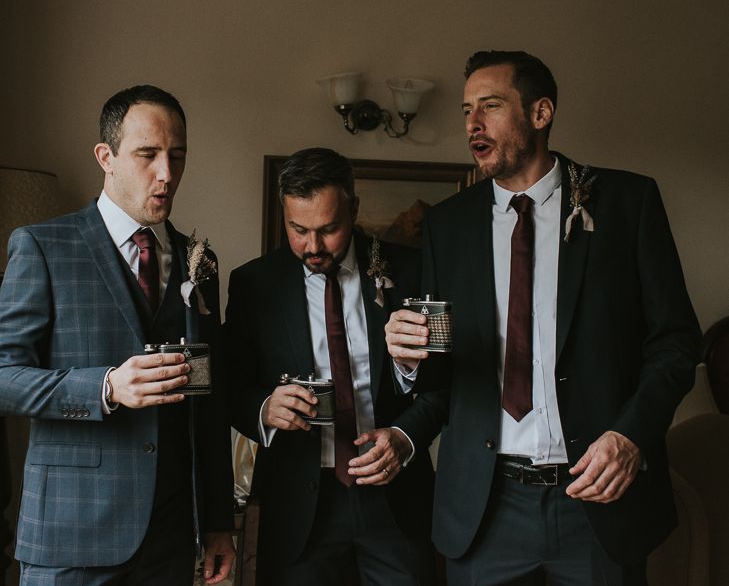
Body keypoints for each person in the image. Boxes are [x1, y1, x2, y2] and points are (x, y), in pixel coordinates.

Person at [385, 51, 701, 585]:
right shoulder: (448, 225)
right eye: (466, 111)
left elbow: (675, 343)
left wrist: (631, 436)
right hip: (483, 508)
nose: (472, 125)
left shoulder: (628, 202)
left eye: (490, 106)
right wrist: (409, 361)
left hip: (597, 502)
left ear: (541, 112)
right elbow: (444, 376)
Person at [0, 85, 235, 585]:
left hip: (170, 536)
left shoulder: (202, 262)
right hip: (70, 534)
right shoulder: (43, 246)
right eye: (148, 155)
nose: (167, 173)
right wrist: (106, 387)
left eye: (177, 156)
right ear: (106, 157)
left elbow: (208, 407)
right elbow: (4, 376)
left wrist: (216, 523)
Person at [225, 147, 446, 585]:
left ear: (354, 209)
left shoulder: (410, 270)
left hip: (397, 504)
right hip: (298, 509)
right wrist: (264, 409)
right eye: (298, 229)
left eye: (329, 229)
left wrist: (405, 438)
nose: (313, 246)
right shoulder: (253, 284)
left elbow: (447, 384)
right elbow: (230, 387)